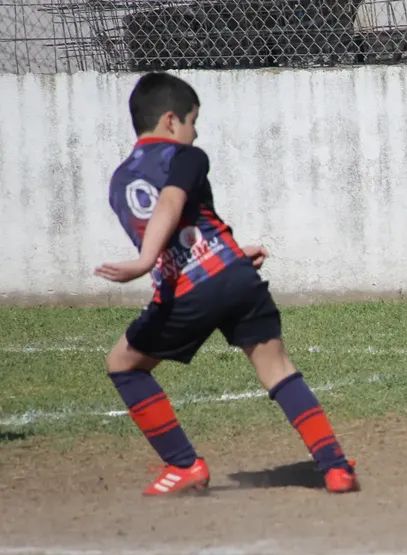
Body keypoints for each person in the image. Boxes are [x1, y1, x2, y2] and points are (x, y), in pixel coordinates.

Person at [95, 72, 359, 495]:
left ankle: (184, 465)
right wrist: (152, 261)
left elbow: (185, 230)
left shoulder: (118, 181)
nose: (195, 131)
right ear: (169, 121)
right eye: (192, 120)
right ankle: (335, 467)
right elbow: (173, 202)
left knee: (124, 365)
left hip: (193, 288)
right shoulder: (187, 157)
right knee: (277, 367)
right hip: (226, 279)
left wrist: (230, 252)